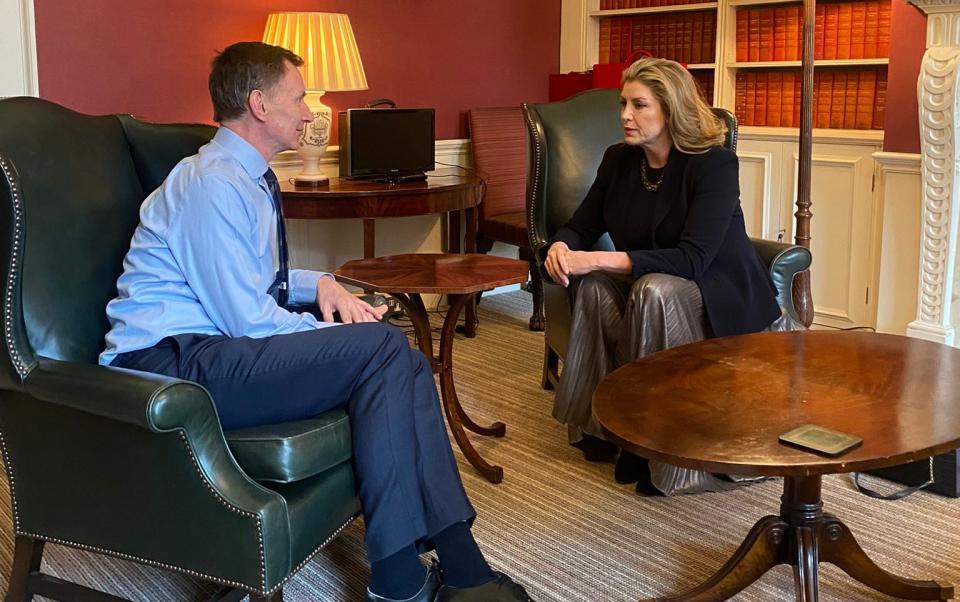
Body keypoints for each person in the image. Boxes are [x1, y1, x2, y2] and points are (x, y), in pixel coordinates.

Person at [99, 41, 533, 602]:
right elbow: (249, 320)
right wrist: (341, 337)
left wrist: (321, 283)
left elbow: (257, 277)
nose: (307, 112)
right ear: (259, 103)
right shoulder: (209, 183)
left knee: (395, 355)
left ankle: (430, 570)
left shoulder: (244, 176)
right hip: (170, 363)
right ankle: (434, 573)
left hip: (211, 349)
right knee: (381, 347)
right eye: (298, 98)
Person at [541, 58, 796, 496]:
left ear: (671, 109)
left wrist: (597, 259)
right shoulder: (619, 161)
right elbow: (581, 224)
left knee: (652, 288)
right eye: (623, 103)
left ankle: (661, 451)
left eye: (639, 105)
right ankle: (606, 429)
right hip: (653, 287)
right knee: (599, 287)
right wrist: (562, 246)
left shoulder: (713, 165)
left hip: (716, 294)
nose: (625, 115)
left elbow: (693, 259)